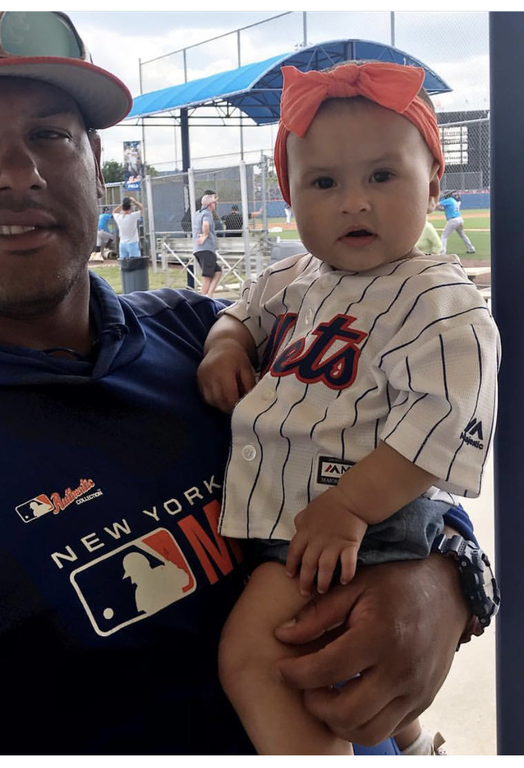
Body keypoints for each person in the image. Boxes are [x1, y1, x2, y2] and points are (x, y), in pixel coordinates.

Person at [0, 14, 489, 755]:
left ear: (94, 161)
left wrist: (448, 574)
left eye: (50, 134)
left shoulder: (200, 336)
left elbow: (396, 436)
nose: (19, 173)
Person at [197, 62, 499, 755]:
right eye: (324, 183)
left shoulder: (438, 301)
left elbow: (441, 425)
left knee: (259, 659)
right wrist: (225, 346)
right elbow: (239, 313)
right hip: (305, 516)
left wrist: (352, 508)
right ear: (290, 197)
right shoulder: (294, 276)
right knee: (341, 670)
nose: (354, 203)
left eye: (382, 176)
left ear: (433, 185)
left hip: (361, 518)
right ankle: (417, 748)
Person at [192, 193, 223, 297]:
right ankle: (204, 297)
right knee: (207, 275)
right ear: (210, 204)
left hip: (198, 250)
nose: (215, 205)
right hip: (206, 249)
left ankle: (209, 294)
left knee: (217, 271)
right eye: (214, 203)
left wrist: (213, 197)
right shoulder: (207, 213)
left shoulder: (197, 213)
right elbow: (206, 224)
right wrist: (205, 235)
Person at [438, 190, 476, 255]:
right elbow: (443, 209)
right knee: (462, 235)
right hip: (459, 219)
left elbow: (437, 204)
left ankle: (442, 253)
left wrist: (434, 202)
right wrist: (438, 207)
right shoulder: (453, 201)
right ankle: (471, 249)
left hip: (453, 220)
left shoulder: (448, 200)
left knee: (444, 236)